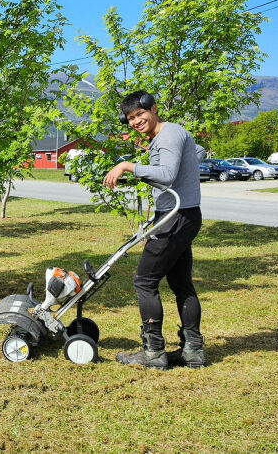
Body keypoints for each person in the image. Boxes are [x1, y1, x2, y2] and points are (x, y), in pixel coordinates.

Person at [103, 90, 207, 369]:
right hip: (184, 215)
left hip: (176, 217)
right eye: (130, 118)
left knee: (144, 281)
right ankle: (193, 351)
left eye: (140, 114)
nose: (136, 121)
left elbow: (167, 175)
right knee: (181, 283)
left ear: (153, 109)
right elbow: (198, 152)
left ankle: (153, 352)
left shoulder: (169, 134)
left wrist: (128, 165)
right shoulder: (170, 136)